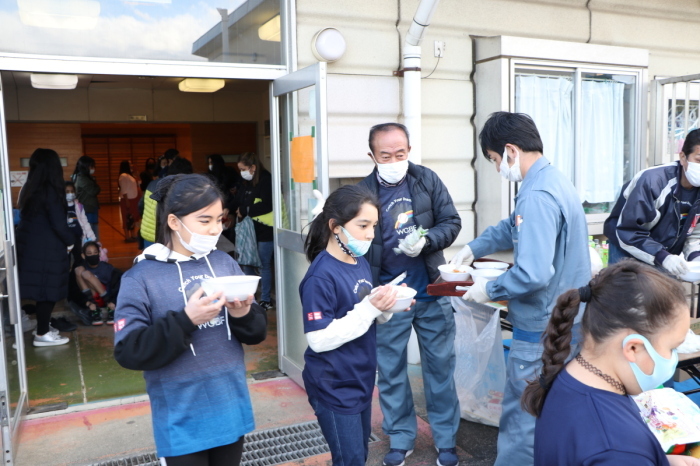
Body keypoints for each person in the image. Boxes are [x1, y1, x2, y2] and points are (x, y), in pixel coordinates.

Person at [450, 112, 591, 465]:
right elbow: (509, 227)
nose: (499, 168)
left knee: (522, 417)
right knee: (554, 409)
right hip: (567, 317)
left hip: (541, 326)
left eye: (496, 160)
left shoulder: (537, 195)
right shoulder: (552, 180)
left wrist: (488, 289)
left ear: (511, 150)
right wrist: (473, 248)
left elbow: (532, 274)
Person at [114, 173, 267, 466]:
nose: (215, 229)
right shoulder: (141, 277)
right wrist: (186, 319)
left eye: (219, 219)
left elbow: (256, 332)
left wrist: (242, 313)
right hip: (181, 418)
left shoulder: (224, 261)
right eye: (204, 220)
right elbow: (129, 350)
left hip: (230, 407)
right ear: (174, 222)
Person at [524, 260, 700, 466]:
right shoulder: (619, 449)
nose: (673, 357)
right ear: (633, 348)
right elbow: (615, 452)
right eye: (672, 348)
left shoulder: (570, 375)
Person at [357, 123, 462, 466]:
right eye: (385, 155)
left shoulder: (426, 180)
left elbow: (451, 221)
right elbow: (352, 242)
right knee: (390, 370)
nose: (393, 160)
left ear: (409, 151)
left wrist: (427, 241)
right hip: (389, 297)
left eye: (400, 154)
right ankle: (401, 437)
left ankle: (446, 439)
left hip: (431, 290)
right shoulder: (361, 193)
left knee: (440, 368)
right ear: (372, 155)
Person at [301, 185, 407, 466]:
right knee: (350, 460)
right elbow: (319, 339)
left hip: (359, 377)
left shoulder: (357, 260)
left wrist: (385, 306)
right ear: (335, 227)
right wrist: (371, 307)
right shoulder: (320, 277)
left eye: (373, 225)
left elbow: (362, 312)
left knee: (358, 454)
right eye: (363, 225)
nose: (371, 234)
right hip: (334, 384)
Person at [604, 129, 700, 276]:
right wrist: (663, 257)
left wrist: (696, 259)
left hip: (664, 254)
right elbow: (629, 231)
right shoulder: (653, 181)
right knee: (625, 296)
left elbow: (694, 232)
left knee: (663, 297)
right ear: (683, 157)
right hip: (627, 250)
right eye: (699, 160)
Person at [17, 148, 75, 347]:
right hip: (47, 249)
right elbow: (59, 224)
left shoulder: (29, 188)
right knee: (47, 291)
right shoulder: (50, 190)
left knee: (41, 290)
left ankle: (38, 329)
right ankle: (42, 333)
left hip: (30, 247)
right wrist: (71, 241)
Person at [230, 153, 274, 311]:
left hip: (265, 230)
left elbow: (268, 205)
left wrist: (245, 210)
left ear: (253, 167)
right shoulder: (247, 182)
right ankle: (251, 297)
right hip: (250, 231)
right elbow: (239, 199)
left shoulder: (266, 180)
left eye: (243, 169)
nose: (242, 172)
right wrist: (227, 208)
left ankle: (266, 299)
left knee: (263, 264)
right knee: (247, 263)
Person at [140, 157, 194, 248]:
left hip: (148, 234)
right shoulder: (180, 188)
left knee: (150, 261)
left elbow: (141, 206)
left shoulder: (152, 184)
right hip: (165, 237)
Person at [74, 241, 122, 326]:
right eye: (89, 253)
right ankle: (95, 310)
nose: (93, 255)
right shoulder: (82, 268)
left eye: (95, 252)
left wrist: (113, 301)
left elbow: (118, 285)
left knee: (87, 274)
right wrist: (87, 303)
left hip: (107, 297)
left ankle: (109, 307)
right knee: (80, 271)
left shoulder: (107, 268)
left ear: (99, 253)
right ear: (83, 256)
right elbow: (73, 291)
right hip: (92, 299)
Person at [65, 180, 96, 264]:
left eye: (72, 191)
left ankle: (75, 275)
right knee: (65, 260)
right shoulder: (60, 206)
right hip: (65, 239)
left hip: (77, 238)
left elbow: (85, 222)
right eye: (67, 192)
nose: (70, 193)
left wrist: (91, 236)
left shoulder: (79, 206)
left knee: (79, 259)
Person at [72, 155, 101, 240]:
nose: (93, 168)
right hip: (86, 210)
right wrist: (96, 186)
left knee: (94, 230)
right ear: (85, 167)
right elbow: (94, 191)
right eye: (91, 166)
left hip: (90, 208)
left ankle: (95, 247)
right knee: (90, 232)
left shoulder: (87, 178)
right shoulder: (82, 178)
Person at [118, 160, 141, 243]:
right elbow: (124, 190)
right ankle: (127, 236)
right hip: (127, 199)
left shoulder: (129, 175)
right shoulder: (123, 176)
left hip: (133, 199)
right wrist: (127, 201)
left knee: (133, 217)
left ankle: (133, 234)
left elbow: (139, 182)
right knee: (126, 217)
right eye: (130, 164)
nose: (131, 165)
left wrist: (136, 171)